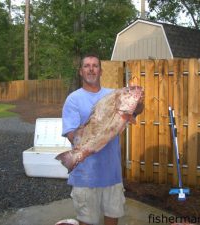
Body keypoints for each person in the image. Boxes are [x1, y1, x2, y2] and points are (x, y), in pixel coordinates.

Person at [61, 53, 144, 225]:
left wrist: (139, 102)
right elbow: (71, 134)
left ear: (100, 71)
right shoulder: (73, 99)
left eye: (95, 66)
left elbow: (134, 111)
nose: (91, 69)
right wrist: (87, 145)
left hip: (112, 175)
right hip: (85, 176)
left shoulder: (115, 95)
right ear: (81, 72)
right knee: (87, 221)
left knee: (112, 220)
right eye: (87, 66)